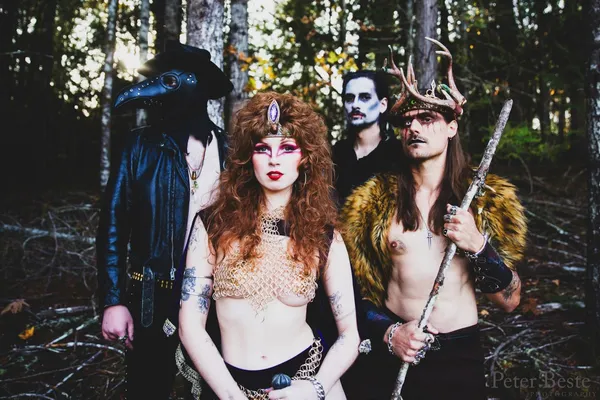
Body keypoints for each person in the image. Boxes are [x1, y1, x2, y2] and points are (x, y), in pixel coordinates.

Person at [340, 38, 527, 399]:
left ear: (452, 127)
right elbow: (350, 294)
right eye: (407, 121)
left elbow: (510, 299)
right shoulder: (372, 204)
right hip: (395, 356)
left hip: (460, 359)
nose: (414, 128)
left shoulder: (485, 201)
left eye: (427, 119)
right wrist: (390, 334)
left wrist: (478, 246)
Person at [177, 92, 360, 400]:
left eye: (287, 148)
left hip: (306, 381)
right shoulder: (213, 226)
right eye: (263, 149)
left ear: (304, 157)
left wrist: (315, 388)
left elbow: (350, 336)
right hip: (229, 386)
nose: (274, 159)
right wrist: (231, 396)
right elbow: (190, 326)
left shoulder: (324, 236)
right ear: (248, 157)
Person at [96, 40, 233, 399]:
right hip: (151, 299)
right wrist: (113, 301)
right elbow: (113, 226)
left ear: (198, 86)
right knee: (148, 388)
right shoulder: (139, 147)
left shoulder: (232, 151)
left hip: (220, 299)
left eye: (171, 81)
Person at [332, 70, 403, 206]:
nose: (355, 105)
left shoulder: (398, 155)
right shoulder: (335, 154)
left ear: (382, 105)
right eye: (349, 98)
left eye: (364, 97)